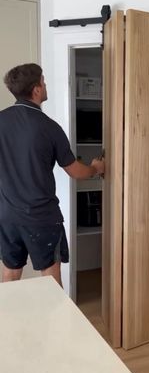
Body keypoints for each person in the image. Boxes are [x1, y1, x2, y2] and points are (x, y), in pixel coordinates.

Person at [0, 63, 105, 287]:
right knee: (50, 273)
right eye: (43, 81)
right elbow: (76, 171)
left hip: (7, 215)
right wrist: (96, 168)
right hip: (41, 217)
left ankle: (6, 321)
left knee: (9, 271)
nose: (45, 85)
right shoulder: (48, 127)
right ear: (36, 89)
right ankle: (54, 322)